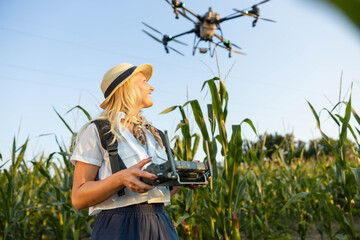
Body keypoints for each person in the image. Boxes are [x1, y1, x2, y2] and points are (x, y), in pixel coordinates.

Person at [70, 62, 181, 240]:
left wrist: (183, 178)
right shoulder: (99, 130)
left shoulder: (156, 135)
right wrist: (120, 178)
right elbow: (78, 198)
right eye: (144, 81)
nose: (151, 87)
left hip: (161, 222)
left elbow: (162, 191)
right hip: (118, 226)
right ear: (126, 87)